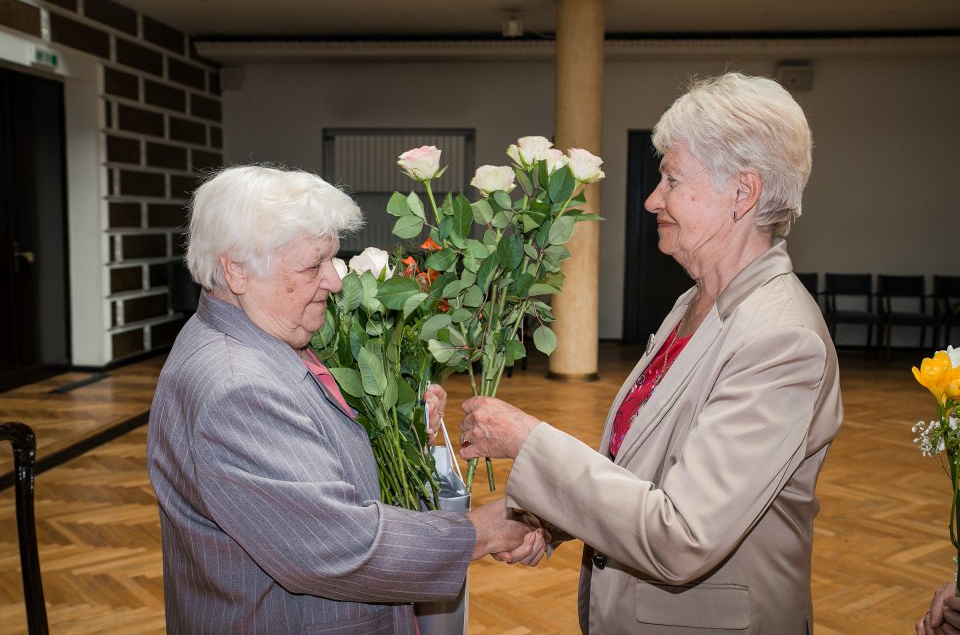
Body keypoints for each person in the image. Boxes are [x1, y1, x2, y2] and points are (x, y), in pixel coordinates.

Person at [458, 72, 843, 634]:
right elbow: (646, 468)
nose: (651, 198)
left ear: (743, 193)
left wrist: (529, 440)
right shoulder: (694, 302)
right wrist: (553, 517)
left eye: (671, 178)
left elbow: (683, 535)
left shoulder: (780, 339)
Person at [147, 165, 544, 635]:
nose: (335, 281)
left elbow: (309, 449)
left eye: (333, 260)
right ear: (236, 269)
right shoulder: (238, 387)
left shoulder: (259, 334)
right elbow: (336, 548)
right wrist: (484, 529)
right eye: (313, 266)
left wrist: (404, 419)